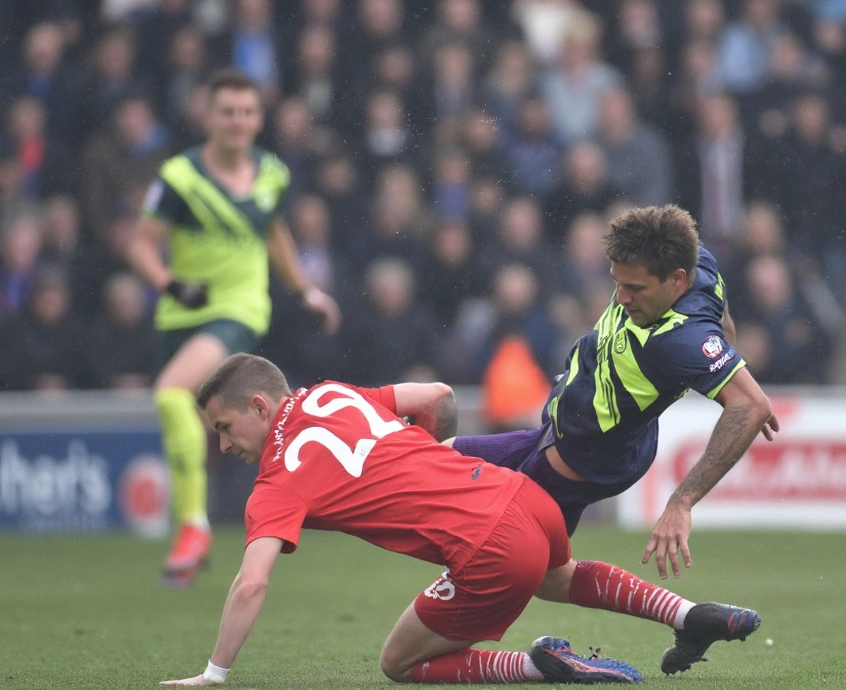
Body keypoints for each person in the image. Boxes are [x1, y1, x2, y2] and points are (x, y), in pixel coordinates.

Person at [160, 353, 759, 685]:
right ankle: (690, 613)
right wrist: (431, 461)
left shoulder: (274, 481)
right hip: (522, 497)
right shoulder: (328, 394)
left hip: (487, 546)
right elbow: (439, 396)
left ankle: (538, 665)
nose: (223, 446)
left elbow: (253, 581)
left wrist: (213, 675)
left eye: (223, 428)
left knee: (398, 664)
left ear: (259, 406)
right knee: (555, 575)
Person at [450, 205, 779, 589]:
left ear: (676, 280)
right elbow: (718, 312)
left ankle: (426, 646)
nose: (621, 298)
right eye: (617, 283)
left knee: (487, 560)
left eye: (635, 288)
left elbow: (752, 406)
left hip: (586, 456)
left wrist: (682, 502)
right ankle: (687, 619)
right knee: (440, 460)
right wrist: (729, 363)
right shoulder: (697, 261)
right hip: (560, 433)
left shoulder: (681, 339)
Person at [128, 69, 341, 588]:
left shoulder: (271, 173)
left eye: (247, 112)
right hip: (181, 316)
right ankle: (200, 529)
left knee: (169, 393)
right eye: (228, 111)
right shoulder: (180, 177)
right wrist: (170, 283)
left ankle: (193, 528)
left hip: (240, 309)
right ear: (209, 115)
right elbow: (140, 243)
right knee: (186, 409)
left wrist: (303, 289)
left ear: (258, 118)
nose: (238, 121)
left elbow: (275, 234)